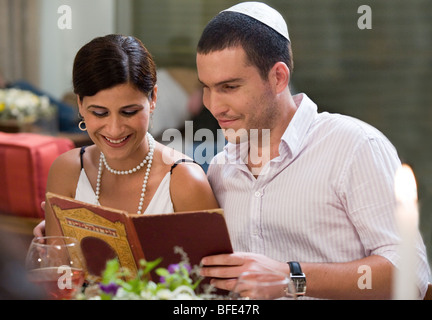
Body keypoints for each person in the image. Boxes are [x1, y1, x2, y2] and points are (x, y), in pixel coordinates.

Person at [196, 2, 430, 299]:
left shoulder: (355, 147)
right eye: (207, 87)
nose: (214, 106)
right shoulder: (220, 167)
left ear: (278, 77)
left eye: (229, 87)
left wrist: (291, 277)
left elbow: (412, 276)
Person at [34, 34, 219, 237]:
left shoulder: (186, 182)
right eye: (99, 113)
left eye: (129, 112)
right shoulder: (67, 171)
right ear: (80, 103)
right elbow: (55, 264)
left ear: (153, 98)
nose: (114, 129)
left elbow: (215, 268)